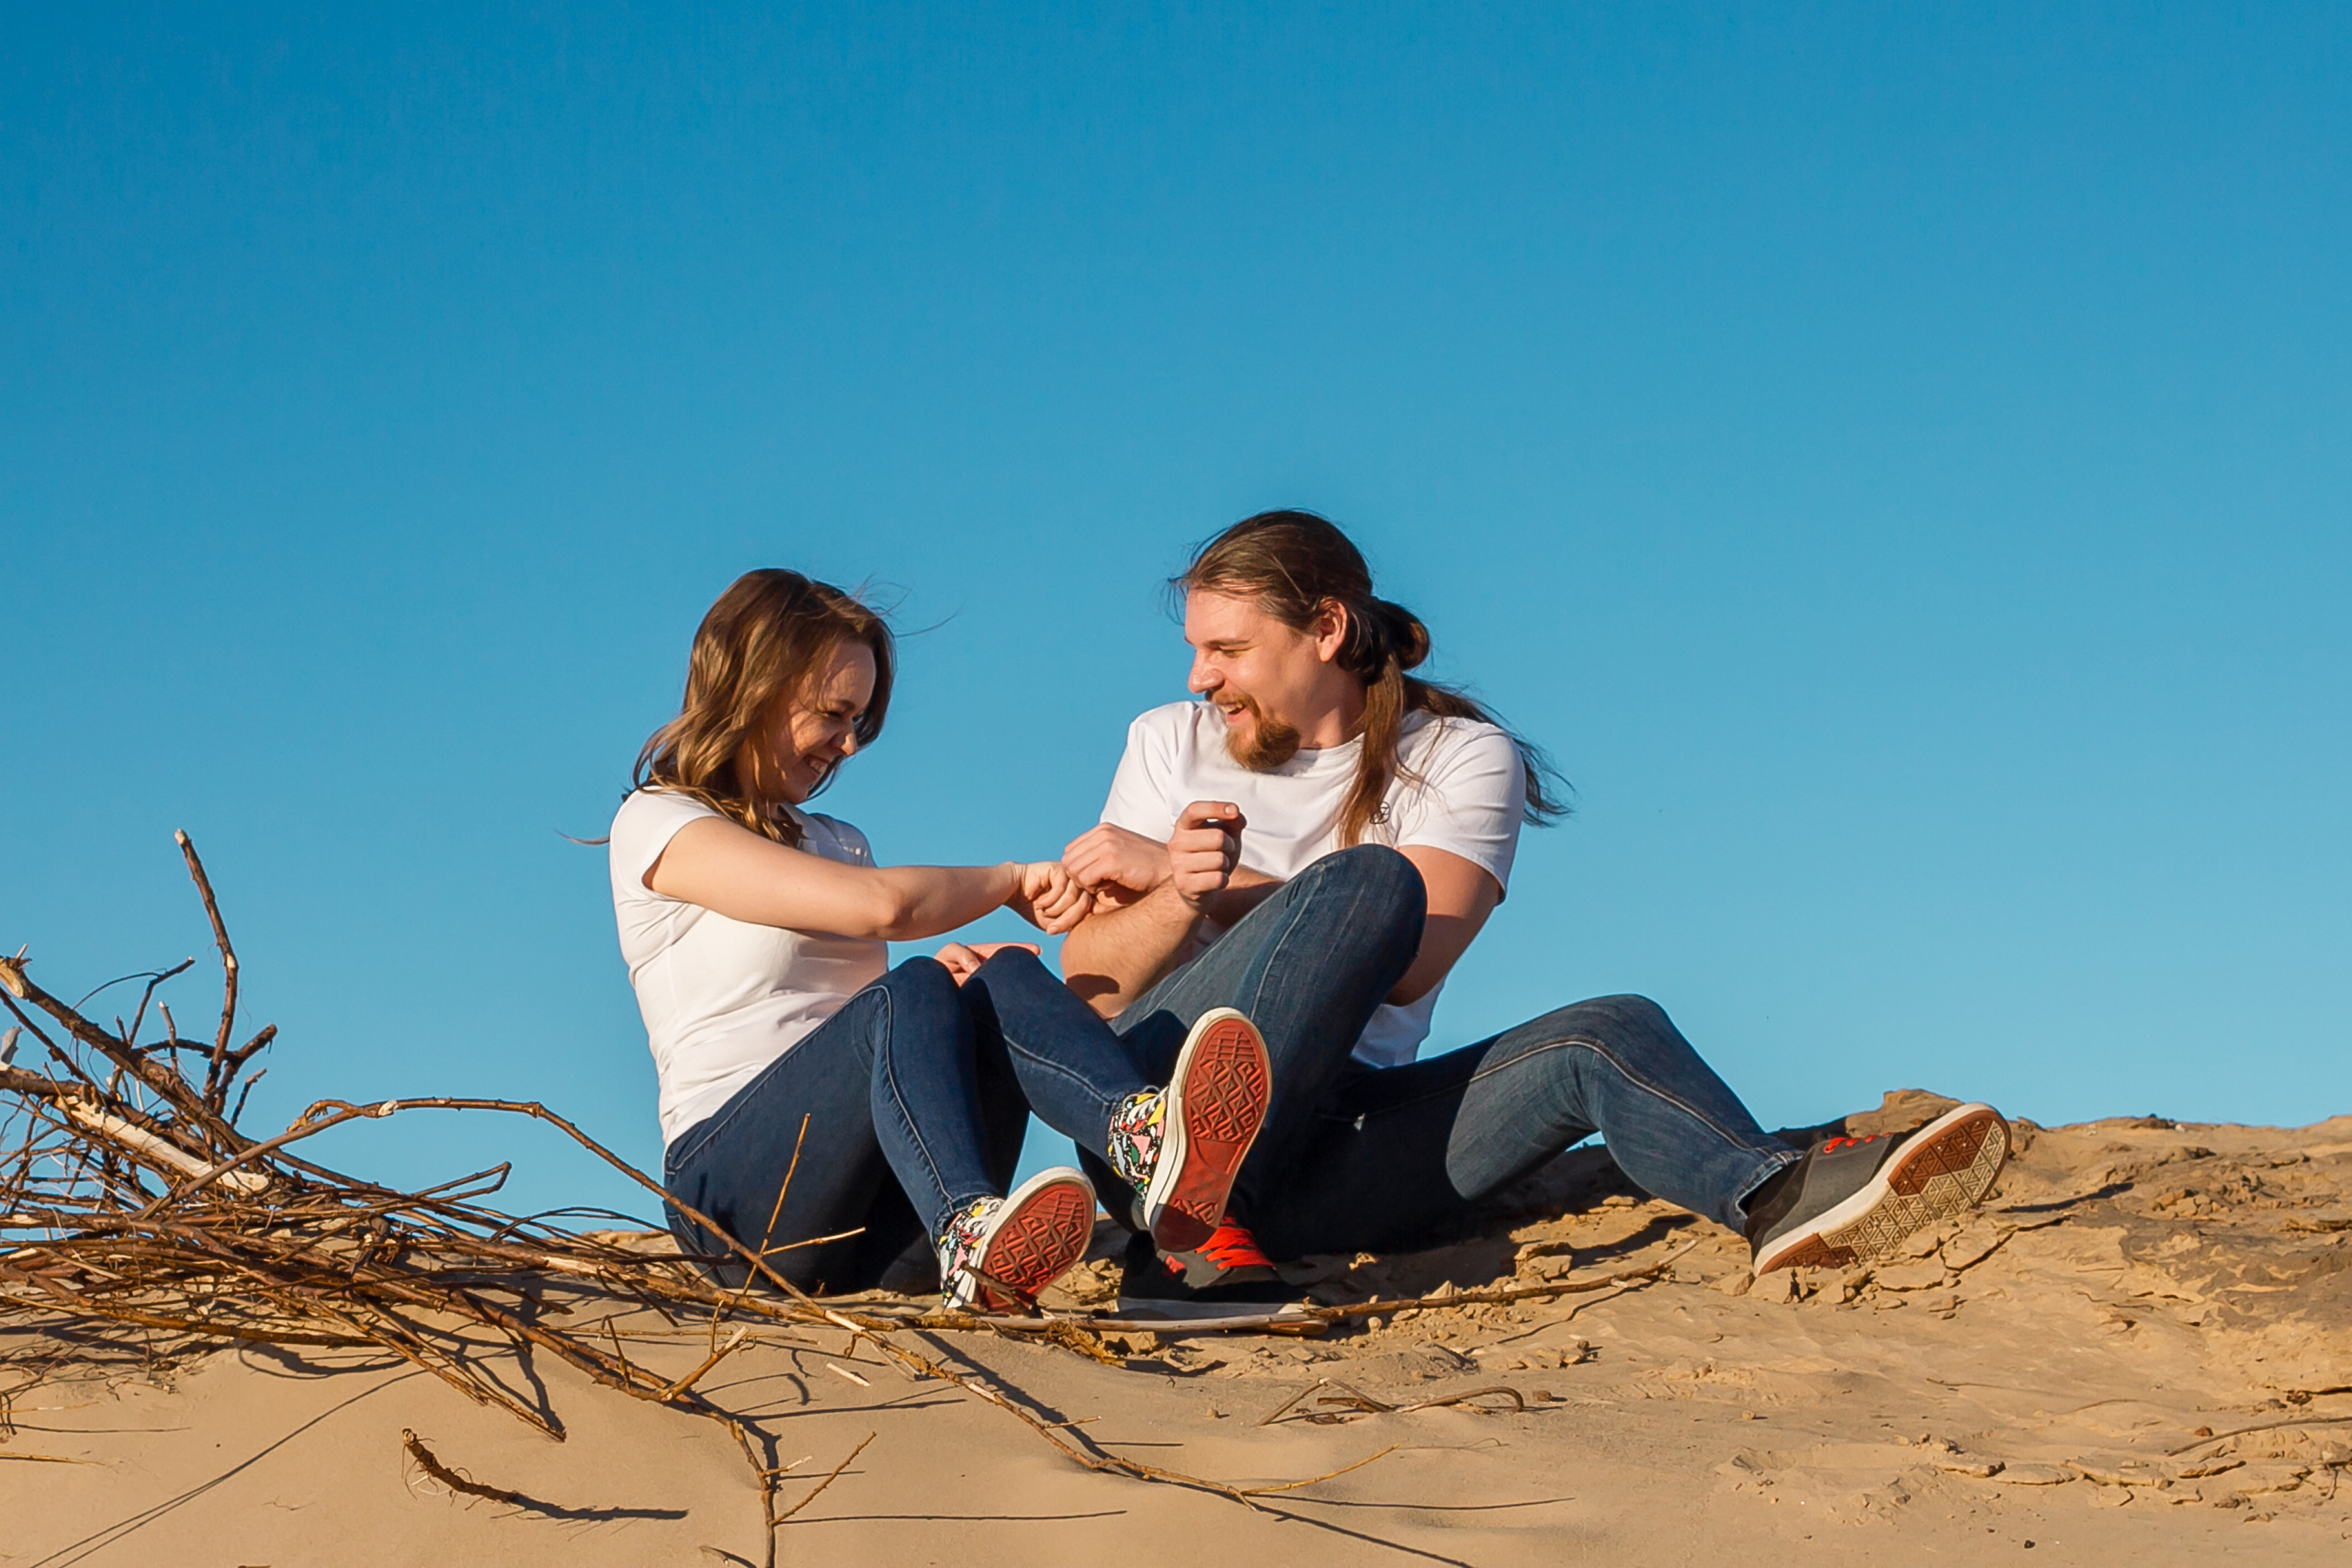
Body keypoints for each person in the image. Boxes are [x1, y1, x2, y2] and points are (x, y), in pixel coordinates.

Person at [1057, 511, 2011, 1314]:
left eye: (1227, 650)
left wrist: (1219, 884)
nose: (1200, 678)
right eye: (1194, 651)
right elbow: (1092, 979)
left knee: (1607, 1029)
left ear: (1329, 630)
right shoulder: (1165, 743)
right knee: (1364, 882)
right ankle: (1181, 1230)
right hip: (1153, 1128)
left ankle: (1774, 1196)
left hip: (1326, 1150)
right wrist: (1179, 892)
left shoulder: (1462, 757)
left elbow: (1411, 955)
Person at [606, 569, 1272, 1311]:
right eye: (833, 712)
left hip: (870, 1234)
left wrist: (950, 1004)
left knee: (995, 978)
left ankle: (1141, 1140)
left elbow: (855, 1034)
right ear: (755, 683)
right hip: (731, 1207)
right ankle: (967, 1228)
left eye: (859, 720)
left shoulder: (839, 840)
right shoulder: (660, 822)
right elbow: (882, 909)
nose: (849, 743)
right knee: (915, 982)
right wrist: (1012, 881)